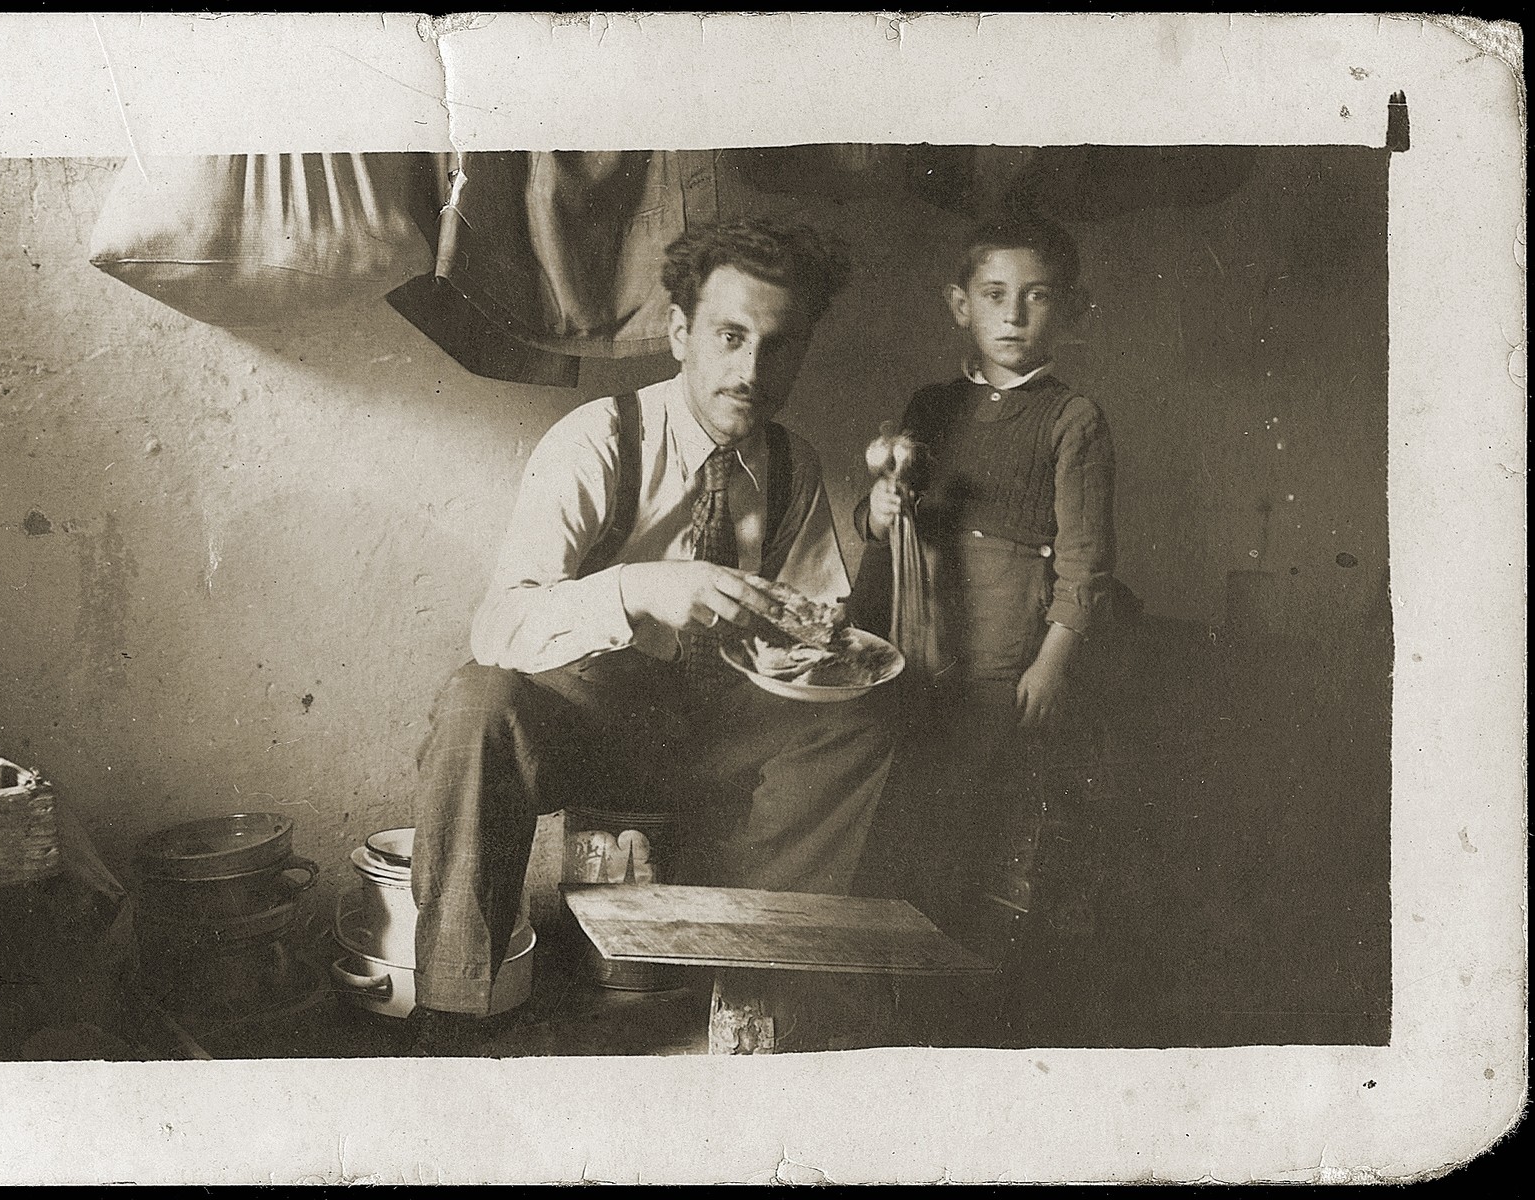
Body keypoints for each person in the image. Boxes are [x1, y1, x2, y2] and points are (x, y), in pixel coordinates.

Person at [408, 218, 897, 1046]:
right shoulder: (598, 441)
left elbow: (817, 630)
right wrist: (642, 588)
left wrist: (828, 626)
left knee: (866, 718)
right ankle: (457, 1012)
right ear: (679, 333)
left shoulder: (794, 465)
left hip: (719, 727)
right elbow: (499, 625)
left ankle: (743, 973)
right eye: (729, 337)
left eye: (778, 346)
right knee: (476, 699)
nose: (750, 372)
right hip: (596, 721)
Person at [851, 209, 1118, 1037]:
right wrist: (876, 503)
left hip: (1001, 650)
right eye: (994, 294)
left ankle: (944, 1013)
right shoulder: (927, 407)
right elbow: (875, 525)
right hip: (914, 629)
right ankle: (876, 999)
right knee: (890, 814)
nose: (1012, 315)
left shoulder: (1073, 418)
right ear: (957, 303)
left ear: (1066, 309)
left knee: (964, 824)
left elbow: (1084, 563)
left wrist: (1053, 662)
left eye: (1035, 298)